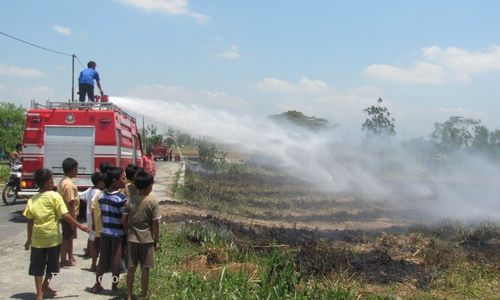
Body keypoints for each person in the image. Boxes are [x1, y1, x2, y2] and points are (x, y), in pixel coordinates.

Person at [23, 168, 89, 300]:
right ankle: (45, 284)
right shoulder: (54, 196)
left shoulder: (32, 200)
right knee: (53, 265)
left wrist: (29, 240)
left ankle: (39, 293)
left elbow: (30, 222)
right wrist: (80, 225)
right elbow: (65, 215)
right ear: (48, 182)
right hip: (53, 239)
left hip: (37, 241)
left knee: (37, 267)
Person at [122, 170, 161, 300]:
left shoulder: (130, 201)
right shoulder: (153, 202)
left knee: (131, 268)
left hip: (132, 239)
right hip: (147, 240)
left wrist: (128, 232)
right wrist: (157, 240)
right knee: (145, 269)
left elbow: (124, 220)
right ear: (148, 186)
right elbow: (156, 223)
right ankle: (143, 295)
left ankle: (128, 295)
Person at [92, 166, 128, 294]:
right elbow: (123, 219)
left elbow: (102, 215)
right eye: (123, 178)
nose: (125, 180)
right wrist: (127, 234)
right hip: (117, 234)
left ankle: (97, 284)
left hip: (105, 232)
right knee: (116, 261)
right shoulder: (122, 199)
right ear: (115, 181)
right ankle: (114, 286)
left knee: (102, 260)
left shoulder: (102, 196)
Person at [79, 172, 105, 271]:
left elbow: (81, 196)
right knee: (96, 240)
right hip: (95, 219)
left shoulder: (90, 190)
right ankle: (93, 258)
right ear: (100, 183)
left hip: (89, 217)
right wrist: (95, 223)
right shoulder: (98, 193)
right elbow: (94, 207)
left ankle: (88, 252)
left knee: (91, 236)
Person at [58, 157, 80, 267]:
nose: (77, 171)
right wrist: (73, 220)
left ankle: (69, 257)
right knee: (67, 238)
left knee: (69, 237)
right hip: (68, 216)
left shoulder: (64, 181)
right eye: (76, 169)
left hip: (66, 215)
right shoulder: (69, 185)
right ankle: (64, 259)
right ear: (73, 169)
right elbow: (71, 202)